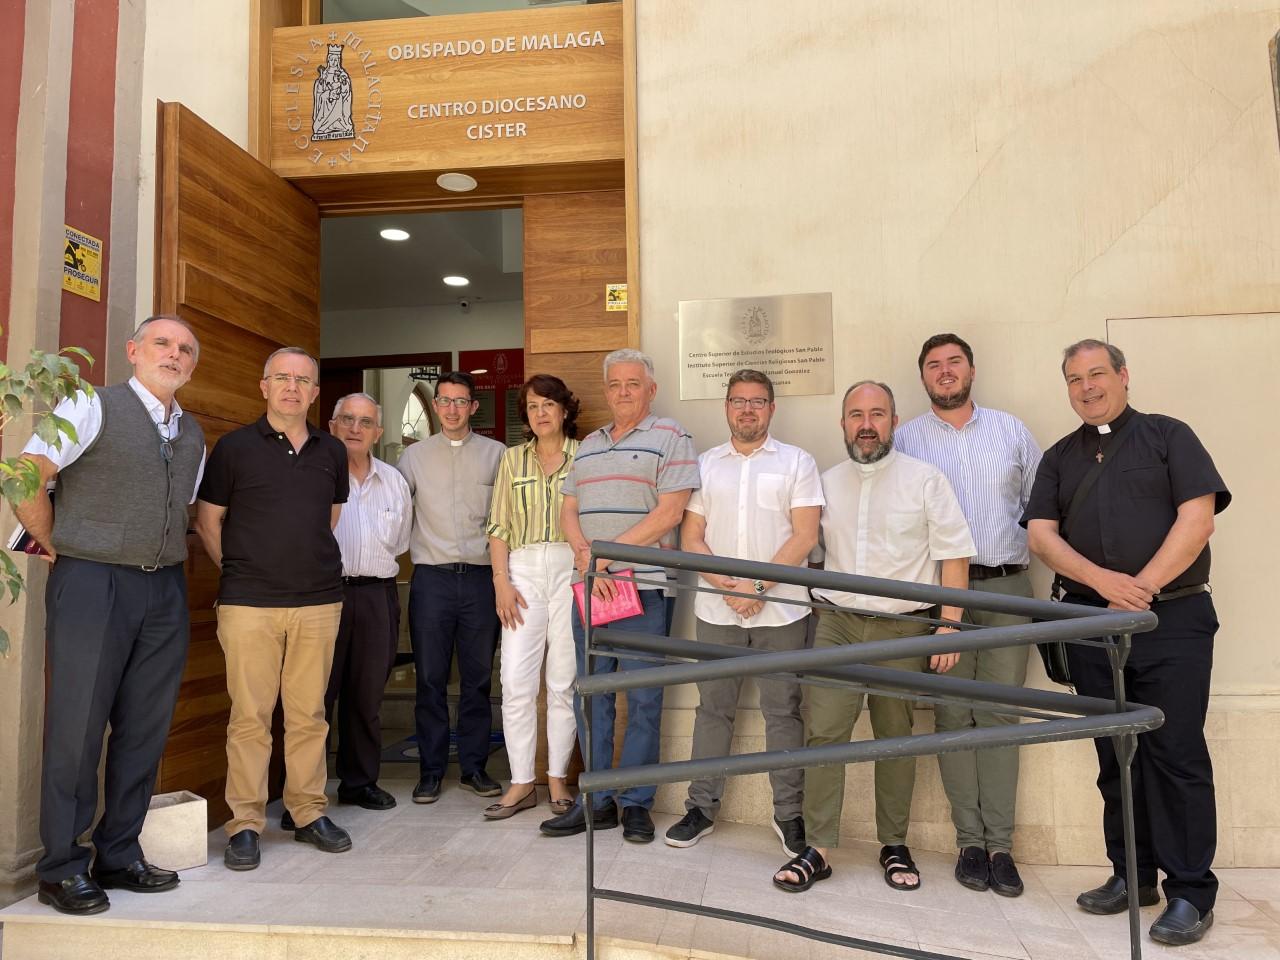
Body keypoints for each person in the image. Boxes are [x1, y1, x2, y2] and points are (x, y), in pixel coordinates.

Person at [1023, 339, 1229, 947]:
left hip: (1174, 620)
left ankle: (1190, 892)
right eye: (1074, 379)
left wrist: (1140, 589)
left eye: (1096, 374)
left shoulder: (1169, 436)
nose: (1087, 387)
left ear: (1123, 376)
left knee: (1176, 755)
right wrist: (1104, 585)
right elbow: (1041, 535)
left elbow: (1198, 520)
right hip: (1093, 625)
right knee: (1115, 757)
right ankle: (1132, 876)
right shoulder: (1060, 457)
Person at [16, 316, 204, 915]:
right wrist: (54, 543)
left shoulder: (193, 432)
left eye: (185, 349)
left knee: (144, 728)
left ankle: (119, 853)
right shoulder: (89, 404)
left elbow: (180, 507)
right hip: (93, 582)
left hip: (164, 587)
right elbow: (27, 476)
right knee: (76, 725)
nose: (174, 355)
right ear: (133, 351)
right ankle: (60, 868)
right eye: (162, 344)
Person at [773, 380, 973, 894]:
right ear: (843, 423)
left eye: (877, 414)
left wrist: (950, 626)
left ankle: (894, 844)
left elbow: (954, 555)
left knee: (895, 738)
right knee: (824, 732)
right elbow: (809, 550)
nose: (867, 425)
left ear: (894, 421)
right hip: (838, 625)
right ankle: (818, 848)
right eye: (857, 415)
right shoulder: (825, 483)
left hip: (904, 628)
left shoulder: (925, 479)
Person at [895, 333, 1041, 897]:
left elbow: (1040, 512)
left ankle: (1001, 846)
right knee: (952, 715)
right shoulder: (906, 439)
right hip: (938, 597)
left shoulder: (1011, 431)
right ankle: (969, 844)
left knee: (999, 715)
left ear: (972, 370)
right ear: (923, 376)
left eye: (954, 362)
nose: (945, 371)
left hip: (1006, 590)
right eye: (933, 364)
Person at [195, 346, 351, 871]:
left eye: (302, 380)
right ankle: (245, 823)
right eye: (281, 378)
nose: (291, 387)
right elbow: (208, 521)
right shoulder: (234, 448)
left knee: (309, 715)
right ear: (264, 386)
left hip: (318, 601)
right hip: (249, 604)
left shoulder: (332, 451)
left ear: (314, 393)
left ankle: (307, 812)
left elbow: (328, 518)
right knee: (250, 717)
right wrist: (242, 571)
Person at [540, 348, 699, 843]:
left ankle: (636, 804)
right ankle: (596, 801)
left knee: (645, 699)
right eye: (615, 384)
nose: (623, 391)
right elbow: (569, 509)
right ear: (606, 391)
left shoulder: (672, 436)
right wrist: (586, 556)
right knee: (592, 697)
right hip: (591, 587)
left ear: (651, 389)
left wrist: (605, 557)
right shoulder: (589, 445)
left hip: (644, 588)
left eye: (633, 383)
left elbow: (670, 513)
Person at [664, 369, 822, 856]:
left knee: (783, 712)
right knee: (712, 710)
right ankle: (701, 807)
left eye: (757, 401)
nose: (747, 410)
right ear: (726, 407)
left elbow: (805, 536)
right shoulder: (706, 465)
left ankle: (789, 814)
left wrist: (756, 587)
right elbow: (692, 537)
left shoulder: (797, 461)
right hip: (717, 608)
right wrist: (728, 587)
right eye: (738, 401)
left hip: (784, 612)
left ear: (771, 408)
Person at [396, 371, 505, 804]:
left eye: (461, 401)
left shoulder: (498, 455)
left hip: (482, 579)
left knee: (478, 679)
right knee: (429, 679)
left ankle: (475, 767)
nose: (452, 409)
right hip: (432, 581)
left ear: (473, 407)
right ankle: (431, 771)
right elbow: (394, 513)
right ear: (437, 405)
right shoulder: (413, 458)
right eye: (444, 401)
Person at [482, 374, 581, 820]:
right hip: (521, 572)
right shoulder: (512, 459)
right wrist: (501, 581)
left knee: (563, 681)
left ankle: (557, 778)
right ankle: (522, 781)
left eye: (549, 404)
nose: (541, 413)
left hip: (569, 569)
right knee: (516, 681)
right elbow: (498, 525)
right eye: (533, 406)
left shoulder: (586, 455)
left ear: (564, 410)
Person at [323, 393, 411, 811]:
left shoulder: (394, 481)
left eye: (365, 422)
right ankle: (302, 793)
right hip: (324, 594)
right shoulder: (315, 474)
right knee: (314, 697)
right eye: (347, 419)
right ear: (332, 425)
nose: (355, 429)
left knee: (367, 694)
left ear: (378, 432)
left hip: (377, 595)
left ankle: (359, 783)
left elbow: (401, 542)